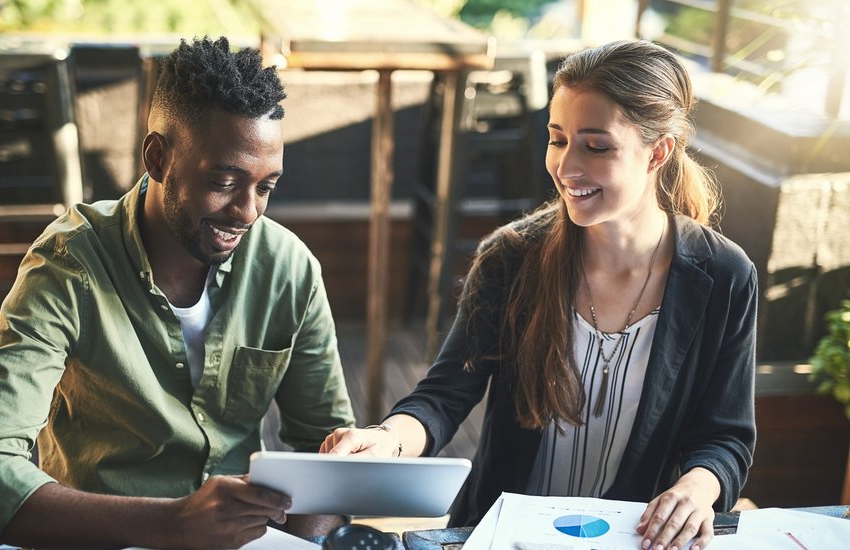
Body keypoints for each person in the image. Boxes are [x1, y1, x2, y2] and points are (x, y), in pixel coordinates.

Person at [322, 40, 756, 550]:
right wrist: (388, 441)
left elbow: (725, 437)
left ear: (657, 151)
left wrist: (696, 489)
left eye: (596, 146)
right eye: (557, 139)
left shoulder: (725, 276)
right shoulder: (511, 258)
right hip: (502, 536)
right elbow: (444, 396)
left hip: (632, 539)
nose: (567, 167)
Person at [0, 36, 355, 549]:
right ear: (157, 158)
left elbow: (330, 450)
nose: (248, 212)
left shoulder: (288, 268)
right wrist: (173, 524)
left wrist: (301, 546)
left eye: (266, 187)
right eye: (224, 181)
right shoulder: (70, 265)